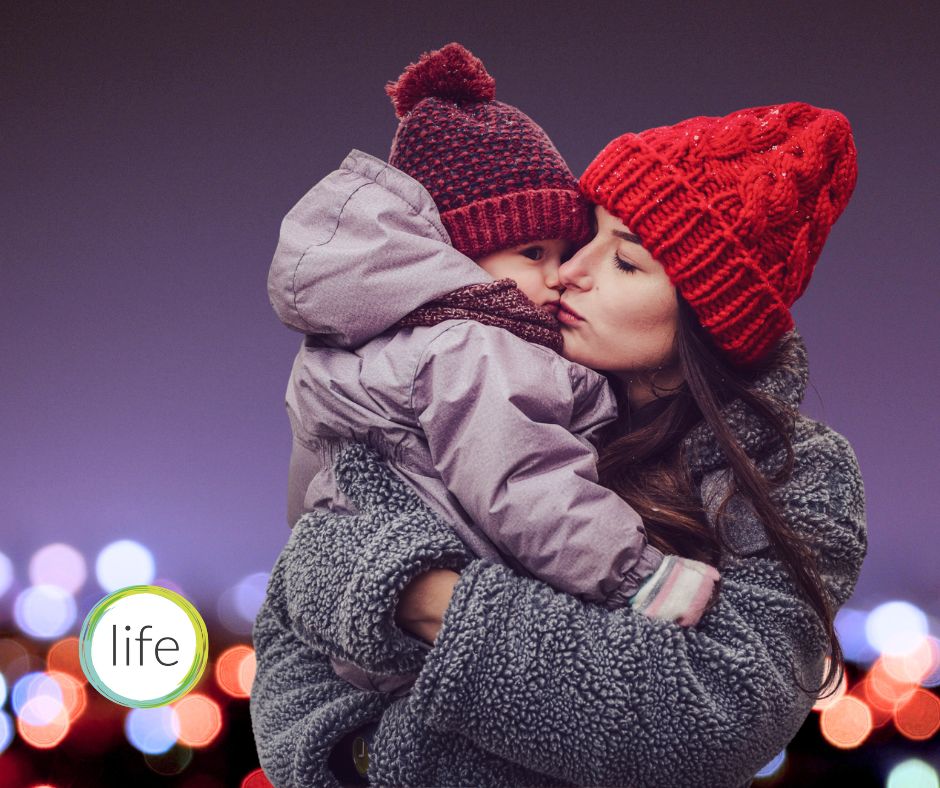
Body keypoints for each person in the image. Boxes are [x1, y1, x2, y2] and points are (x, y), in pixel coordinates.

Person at [250, 100, 866, 787]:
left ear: (706, 318)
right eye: (588, 236)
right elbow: (290, 683)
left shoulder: (791, 472)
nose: (572, 269)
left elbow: (710, 720)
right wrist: (353, 755)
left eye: (626, 262)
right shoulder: (460, 396)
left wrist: (419, 598)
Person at [266, 43, 720, 700]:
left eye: (563, 251)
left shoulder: (364, 347)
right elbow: (522, 482)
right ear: (456, 253)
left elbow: (308, 505)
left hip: (378, 640)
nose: (559, 274)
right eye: (533, 251)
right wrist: (640, 575)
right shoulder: (478, 348)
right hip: (459, 641)